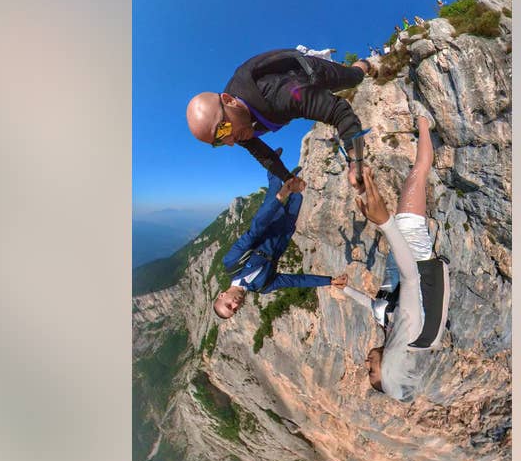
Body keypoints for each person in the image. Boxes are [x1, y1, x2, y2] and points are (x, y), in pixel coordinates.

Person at [343, 107, 449, 401]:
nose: (366, 365)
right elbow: (411, 279)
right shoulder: (412, 331)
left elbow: (375, 305)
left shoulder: (395, 337)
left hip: (399, 251)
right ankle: (426, 121)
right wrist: (387, 224)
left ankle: (423, 129)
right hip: (411, 249)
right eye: (371, 371)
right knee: (416, 175)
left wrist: (344, 290)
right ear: (388, 367)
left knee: (406, 184)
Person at [186, 48, 374, 186]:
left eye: (222, 130)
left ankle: (366, 64)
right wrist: (288, 178)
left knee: (354, 78)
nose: (229, 142)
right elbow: (264, 155)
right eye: (218, 142)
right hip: (291, 92)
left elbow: (337, 110)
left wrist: (355, 162)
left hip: (310, 72)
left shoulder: (283, 95)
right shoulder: (237, 129)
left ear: (229, 101)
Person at [214, 166, 348, 319]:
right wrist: (329, 281)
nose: (236, 305)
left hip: (270, 222)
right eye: (235, 310)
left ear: (222, 295)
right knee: (298, 195)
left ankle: (273, 171)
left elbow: (254, 230)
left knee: (275, 192)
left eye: (229, 305)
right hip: (285, 231)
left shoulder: (231, 263)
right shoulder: (262, 286)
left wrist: (280, 197)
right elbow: (294, 281)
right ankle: (282, 176)